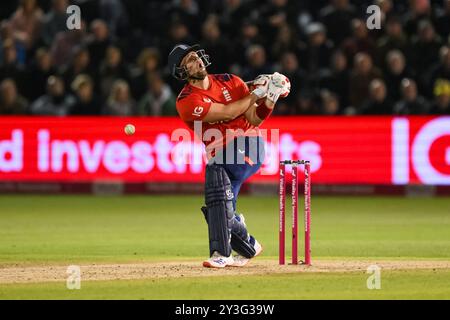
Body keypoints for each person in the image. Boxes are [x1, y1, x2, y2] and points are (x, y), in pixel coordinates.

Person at [168, 44, 289, 268]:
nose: (198, 61)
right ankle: (248, 243)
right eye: (191, 60)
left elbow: (253, 118)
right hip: (220, 153)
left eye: (198, 56)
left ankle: (220, 254)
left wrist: (270, 99)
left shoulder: (230, 80)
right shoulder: (186, 101)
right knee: (218, 209)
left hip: (248, 144)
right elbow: (229, 112)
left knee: (215, 177)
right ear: (182, 71)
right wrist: (259, 93)